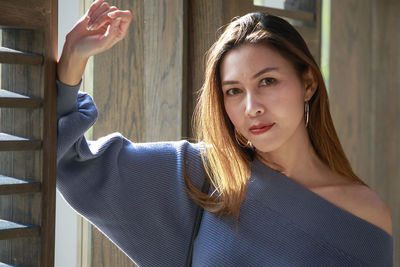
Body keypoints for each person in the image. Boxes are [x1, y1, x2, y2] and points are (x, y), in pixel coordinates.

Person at [56, 0, 393, 266]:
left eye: (267, 82)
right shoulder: (201, 174)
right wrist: (73, 58)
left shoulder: (365, 213)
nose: (252, 107)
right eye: (234, 91)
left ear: (308, 84)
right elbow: (71, 162)